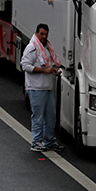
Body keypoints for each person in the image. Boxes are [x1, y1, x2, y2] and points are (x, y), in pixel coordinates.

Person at [21, 23, 64, 152]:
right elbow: (25, 65)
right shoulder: (32, 48)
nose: (44, 36)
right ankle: (36, 142)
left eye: (46, 34)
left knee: (50, 117)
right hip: (36, 88)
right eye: (42, 34)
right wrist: (44, 71)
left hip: (47, 88)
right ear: (37, 33)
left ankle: (50, 141)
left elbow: (48, 65)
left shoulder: (47, 48)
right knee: (38, 117)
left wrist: (54, 71)